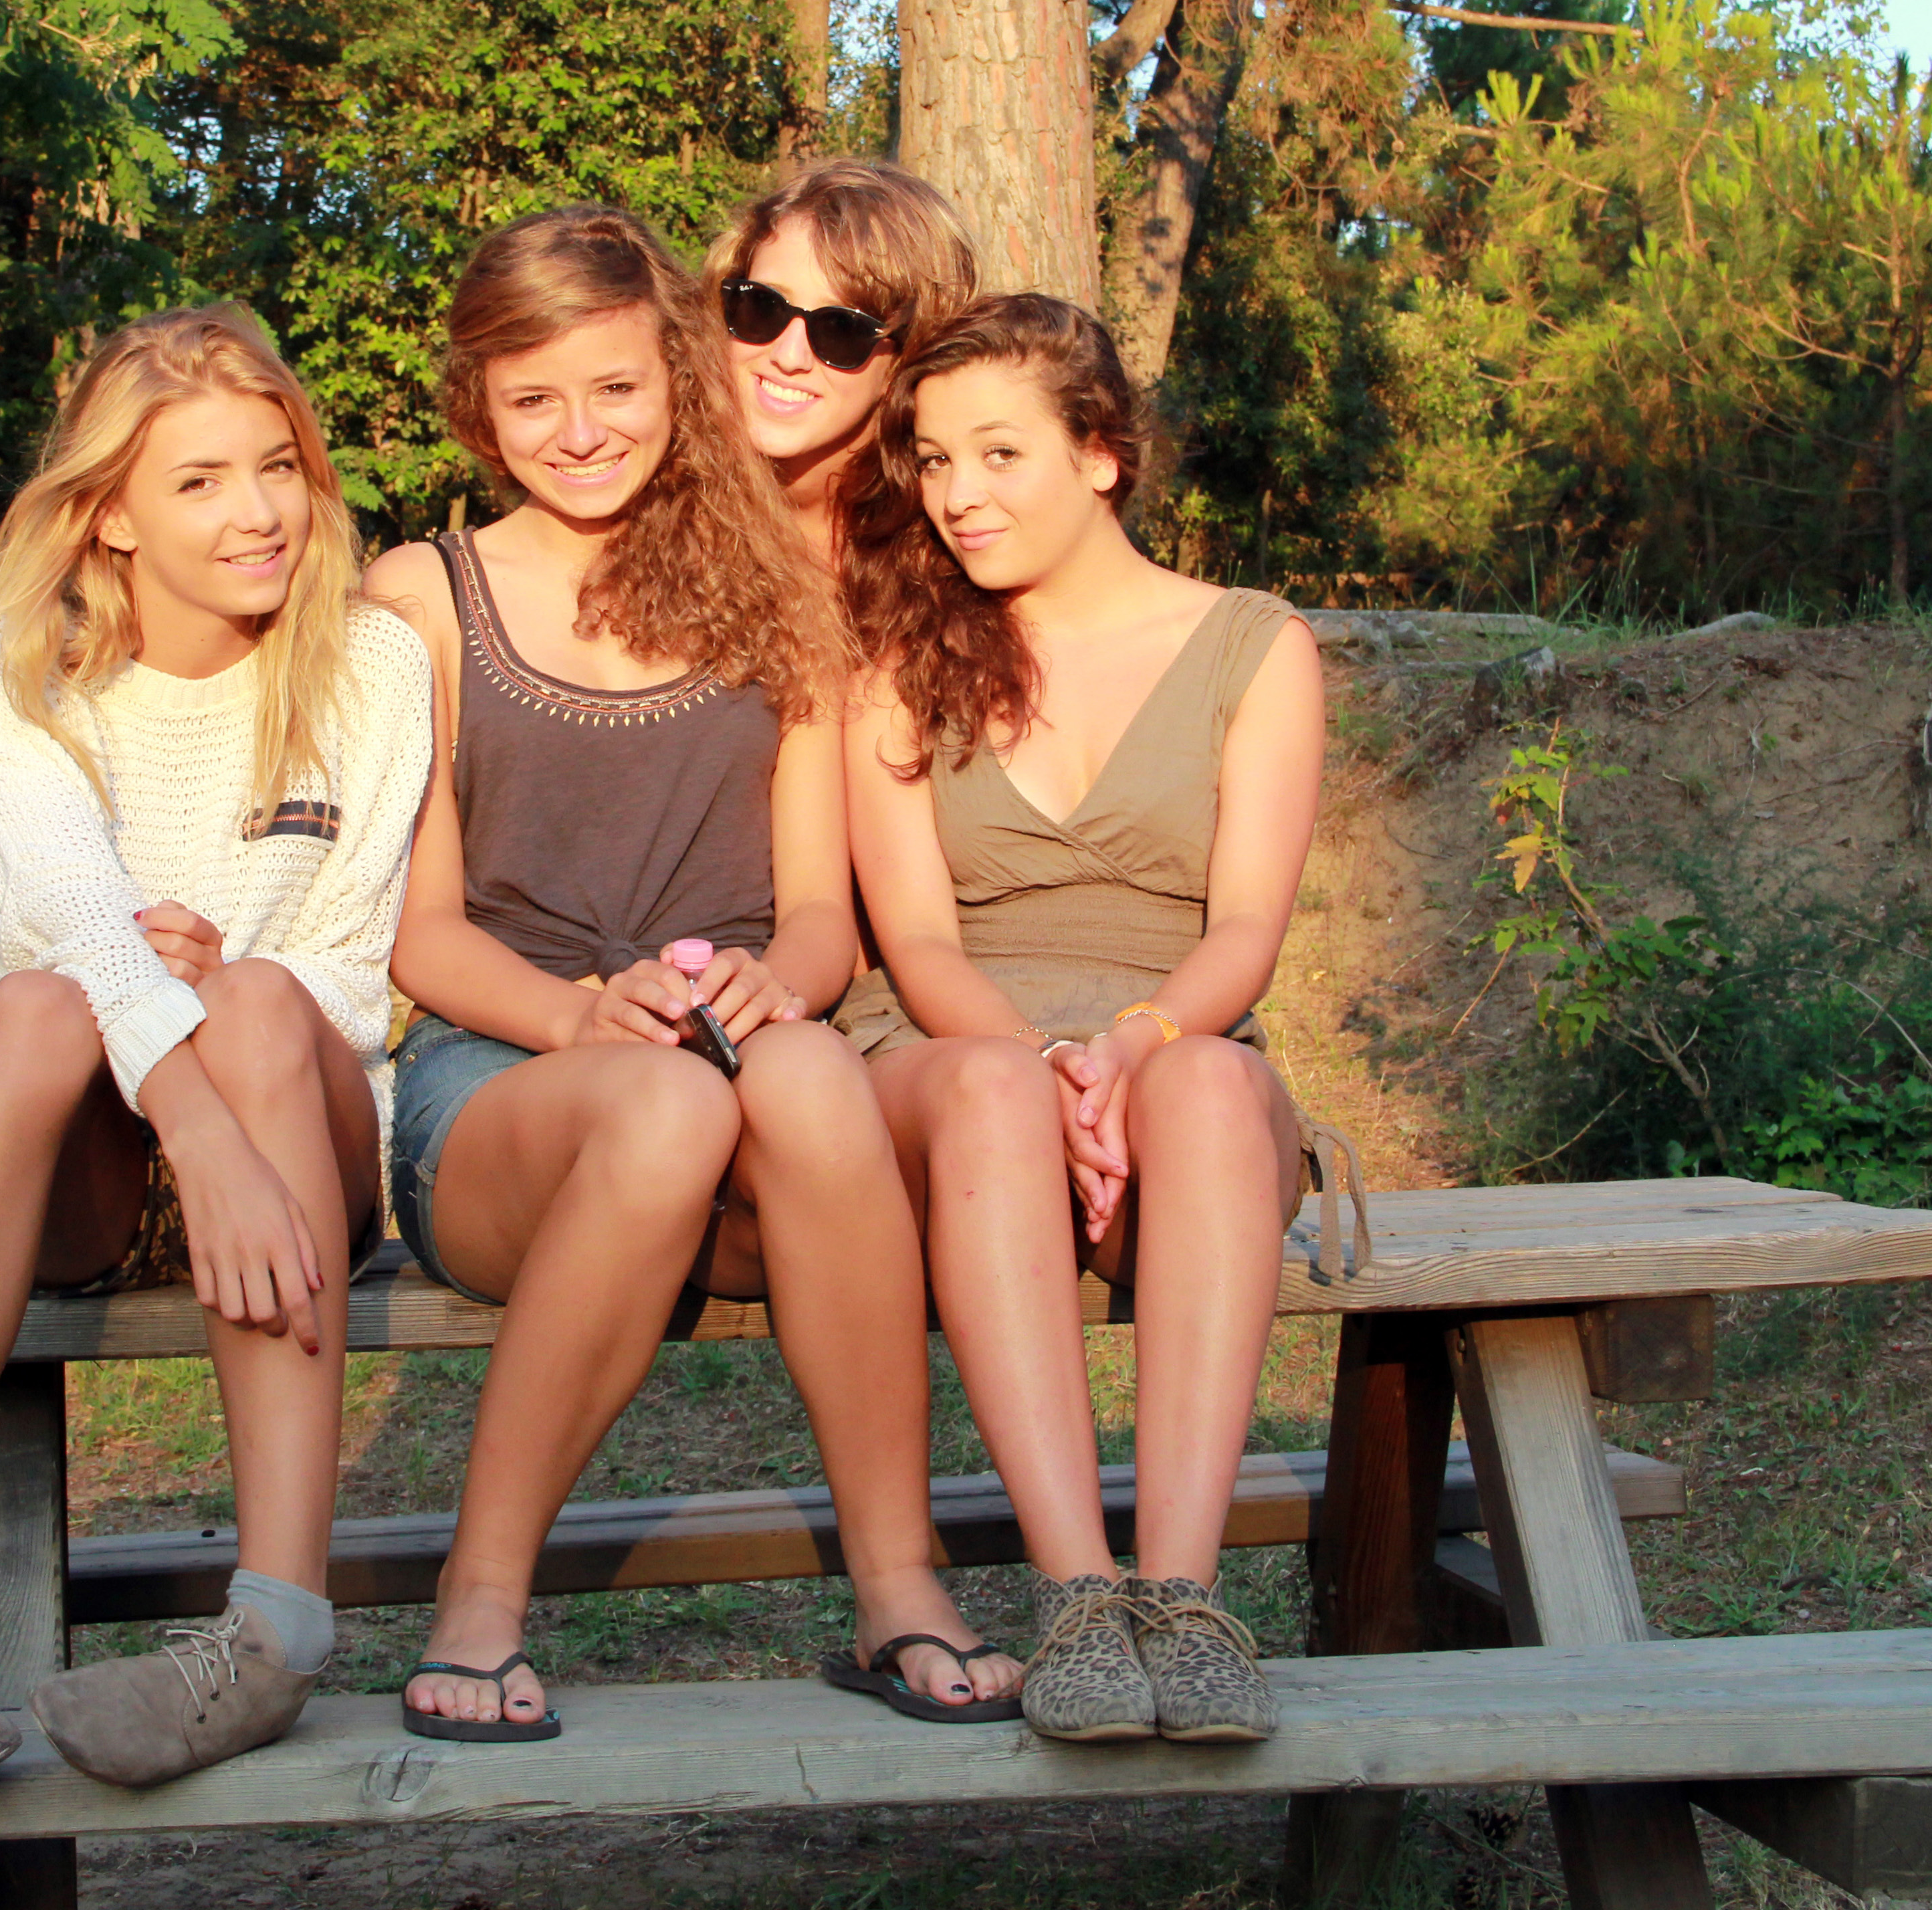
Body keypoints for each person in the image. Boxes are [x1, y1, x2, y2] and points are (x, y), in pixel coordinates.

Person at [368, 205, 1018, 1742]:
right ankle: (478, 1599)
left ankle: (897, 1589)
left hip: (730, 1060)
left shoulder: (782, 600)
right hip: (501, 1079)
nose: (577, 432)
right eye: (531, 400)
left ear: (673, 378)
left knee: (794, 1068)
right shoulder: (420, 597)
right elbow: (415, 934)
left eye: (613, 390)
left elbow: (815, 914)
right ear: (478, 408)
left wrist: (772, 992)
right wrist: (575, 1018)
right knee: (657, 1111)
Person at [0, 306, 431, 1802]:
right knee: (30, 1013)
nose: (259, 510)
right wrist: (184, 1107)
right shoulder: (2, 669)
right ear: (112, 517)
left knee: (269, 997)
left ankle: (272, 1633)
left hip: (295, 1146)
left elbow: (350, 974)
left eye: (276, 465)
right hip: (81, 1157)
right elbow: (72, 923)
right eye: (201, 481)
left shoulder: (373, 667)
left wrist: (215, 1026)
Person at [839, 293, 1362, 1745]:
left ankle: (1181, 1598)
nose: (956, 496)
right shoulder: (894, 657)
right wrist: (1027, 1062)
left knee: (1200, 1089)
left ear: (1100, 455)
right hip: (950, 1053)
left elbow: (1244, 929)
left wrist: (1130, 1045)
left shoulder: (1254, 647)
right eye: (933, 463)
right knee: (997, 1093)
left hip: (1165, 1037)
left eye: (997, 454)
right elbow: (916, 936)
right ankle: (1076, 1593)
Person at [706, 157, 980, 566]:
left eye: (841, 329)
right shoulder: (647, 506)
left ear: (907, 358)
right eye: (761, 307)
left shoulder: (958, 537)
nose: (789, 355)